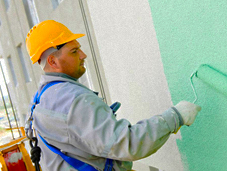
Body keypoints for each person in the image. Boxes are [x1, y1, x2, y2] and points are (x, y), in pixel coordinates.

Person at [25, 20, 201, 171]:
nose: (83, 55)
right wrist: (175, 117)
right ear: (53, 61)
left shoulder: (40, 101)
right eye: (74, 51)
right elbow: (127, 144)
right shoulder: (72, 100)